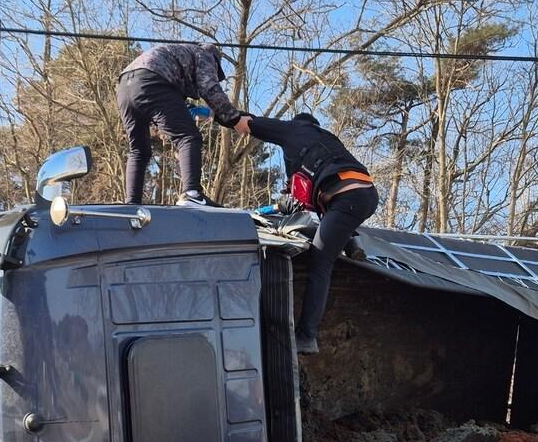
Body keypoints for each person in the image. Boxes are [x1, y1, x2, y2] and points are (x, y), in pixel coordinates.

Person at [237, 112, 378, 354]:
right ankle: (353, 243)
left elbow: (247, 122)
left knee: (320, 262)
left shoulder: (293, 130)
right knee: (332, 223)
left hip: (345, 198)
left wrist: (214, 112)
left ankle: (307, 336)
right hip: (364, 194)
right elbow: (309, 194)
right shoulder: (327, 140)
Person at [117, 42, 249, 206]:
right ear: (215, 61)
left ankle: (131, 203)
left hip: (125, 86)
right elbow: (209, 88)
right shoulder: (205, 55)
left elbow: (173, 103)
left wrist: (204, 112)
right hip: (153, 80)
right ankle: (191, 193)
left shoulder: (178, 54)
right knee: (188, 137)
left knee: (139, 150)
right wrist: (234, 119)